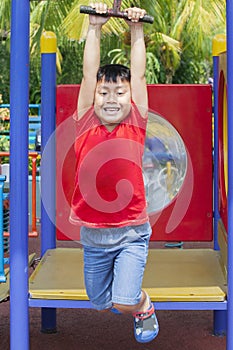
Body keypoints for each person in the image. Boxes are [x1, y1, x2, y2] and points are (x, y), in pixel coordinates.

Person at [69, 2, 159, 343]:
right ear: (93, 97)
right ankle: (130, 302)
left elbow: (139, 76)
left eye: (119, 93)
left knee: (122, 302)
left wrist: (136, 30)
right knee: (99, 301)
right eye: (104, 92)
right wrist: (94, 26)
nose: (111, 98)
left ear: (129, 98)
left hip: (132, 233)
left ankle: (143, 305)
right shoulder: (85, 124)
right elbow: (88, 74)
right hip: (93, 237)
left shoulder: (136, 121)